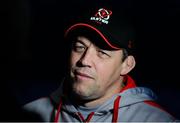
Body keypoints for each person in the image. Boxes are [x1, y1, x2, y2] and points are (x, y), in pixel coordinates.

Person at [22, 4, 177, 122]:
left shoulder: (156, 120)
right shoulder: (29, 115)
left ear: (127, 65)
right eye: (79, 47)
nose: (84, 60)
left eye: (102, 53)